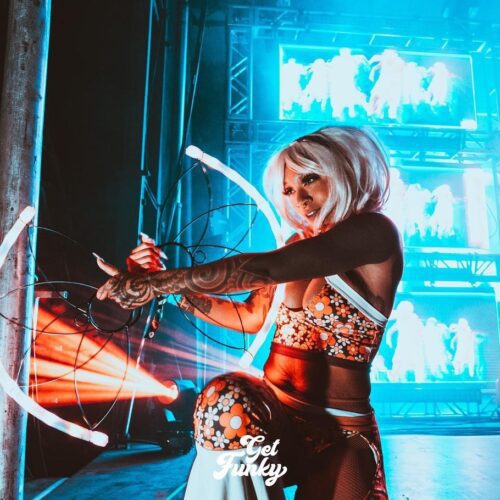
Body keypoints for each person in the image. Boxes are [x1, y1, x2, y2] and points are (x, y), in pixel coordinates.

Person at [96, 127, 403, 499]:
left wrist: (160, 282)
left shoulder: (375, 232)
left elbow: (264, 269)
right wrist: (162, 285)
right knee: (223, 400)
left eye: (309, 179)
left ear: (340, 173)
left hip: (341, 431)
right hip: (275, 416)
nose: (301, 199)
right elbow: (251, 316)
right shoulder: (299, 242)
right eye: (288, 190)